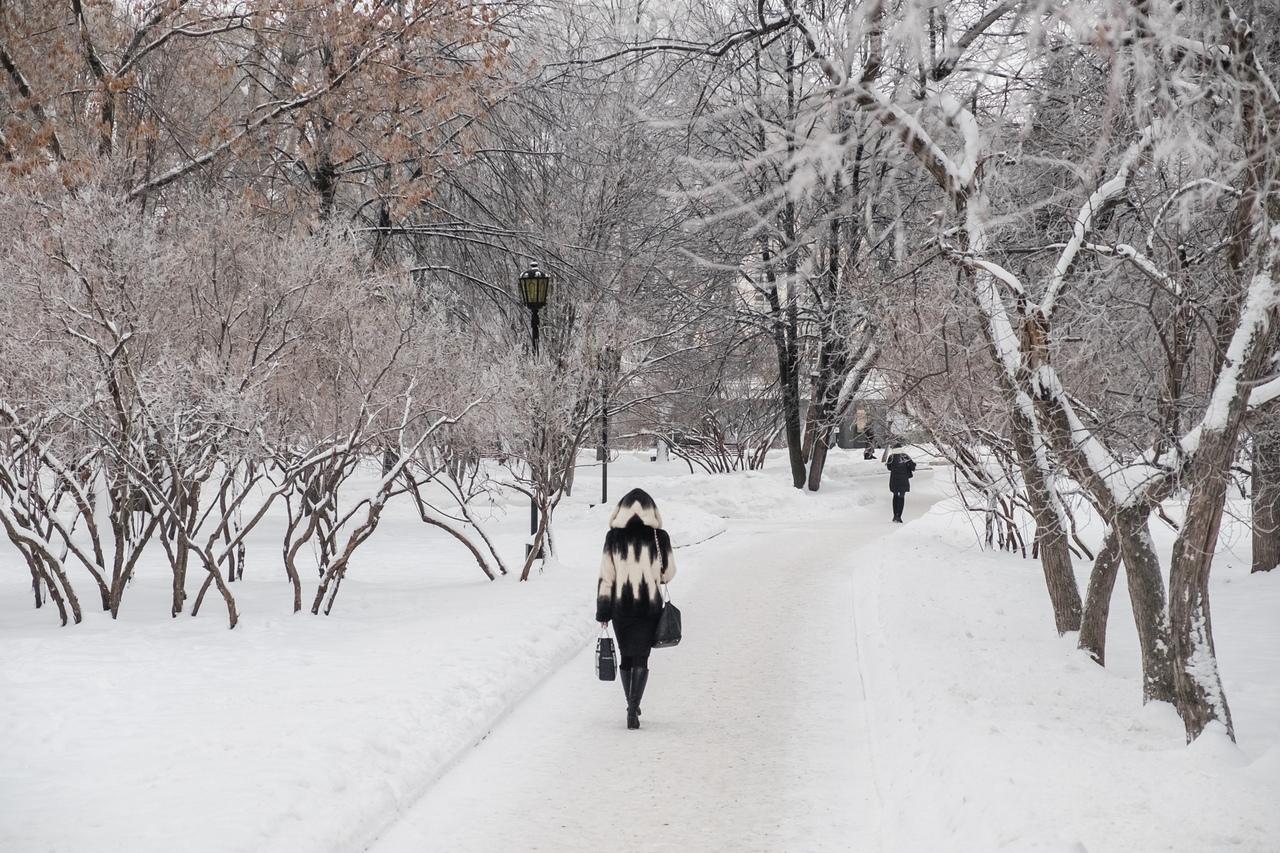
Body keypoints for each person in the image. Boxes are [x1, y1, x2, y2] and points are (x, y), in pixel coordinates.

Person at [596, 487, 676, 730]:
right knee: (642, 655)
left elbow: (606, 577)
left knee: (626, 655)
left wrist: (603, 611)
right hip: (648, 606)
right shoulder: (658, 537)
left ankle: (630, 704)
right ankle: (634, 705)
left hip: (622, 608)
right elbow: (668, 573)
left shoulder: (613, 538)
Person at [885, 444, 916, 523]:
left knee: (895, 496)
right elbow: (912, 467)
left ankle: (895, 515)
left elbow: (889, 468)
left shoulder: (891, 457)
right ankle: (898, 516)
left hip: (894, 480)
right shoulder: (905, 457)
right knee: (901, 497)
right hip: (903, 480)